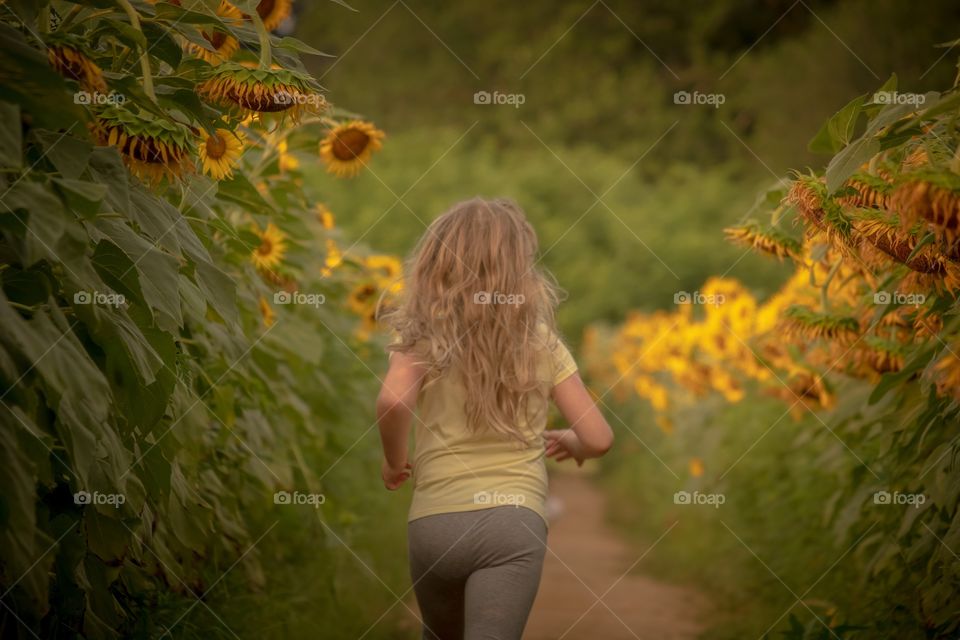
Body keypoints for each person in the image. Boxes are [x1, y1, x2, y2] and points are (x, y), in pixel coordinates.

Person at [376, 197, 614, 640]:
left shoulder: (420, 336)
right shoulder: (541, 343)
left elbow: (392, 403)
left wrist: (394, 461)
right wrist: (573, 443)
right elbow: (598, 438)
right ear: (519, 269)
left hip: (434, 521)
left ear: (434, 263)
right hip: (513, 521)